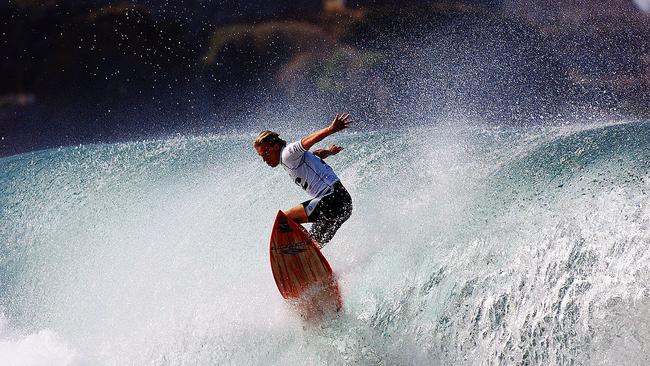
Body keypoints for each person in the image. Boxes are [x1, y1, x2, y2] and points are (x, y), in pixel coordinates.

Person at [254, 113, 353, 247]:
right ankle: (309, 262)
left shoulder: (287, 153)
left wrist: (331, 129)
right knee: (313, 244)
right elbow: (315, 155)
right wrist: (329, 152)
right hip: (343, 206)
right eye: (261, 156)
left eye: (266, 153)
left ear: (276, 146)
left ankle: (298, 252)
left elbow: (308, 141)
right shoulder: (290, 160)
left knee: (284, 220)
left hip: (334, 199)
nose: (265, 159)